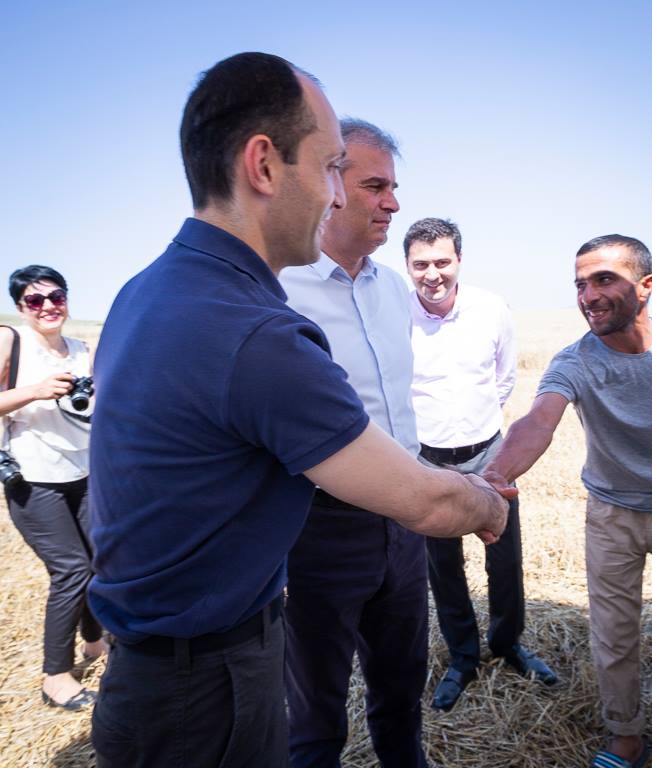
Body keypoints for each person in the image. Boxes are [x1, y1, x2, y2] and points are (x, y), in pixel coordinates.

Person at [87, 52, 510, 768]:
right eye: (331, 167)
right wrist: (487, 503)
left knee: (394, 688)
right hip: (206, 687)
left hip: (164, 669)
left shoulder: (148, 290)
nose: (336, 194)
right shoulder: (254, 329)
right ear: (262, 165)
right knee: (315, 720)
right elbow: (426, 501)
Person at [482, 235, 652, 768]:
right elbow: (538, 422)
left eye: (604, 279)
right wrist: (492, 477)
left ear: (646, 286)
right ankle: (626, 736)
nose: (588, 296)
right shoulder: (575, 361)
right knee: (614, 634)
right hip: (613, 518)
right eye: (580, 284)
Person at [279, 119, 429, 767]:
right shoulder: (277, 290)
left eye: (393, 187)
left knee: (402, 681)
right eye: (375, 186)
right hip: (320, 528)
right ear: (329, 185)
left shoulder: (393, 288)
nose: (392, 203)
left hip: (404, 519)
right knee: (315, 705)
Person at [403, 217, 557, 713]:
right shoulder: (395, 314)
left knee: (505, 557)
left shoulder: (491, 308)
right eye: (420, 264)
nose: (432, 274)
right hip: (427, 459)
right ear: (407, 265)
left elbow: (503, 378)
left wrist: (475, 426)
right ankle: (463, 657)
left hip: (488, 453)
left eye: (442, 262)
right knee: (443, 565)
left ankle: (508, 644)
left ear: (459, 261)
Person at [0, 265, 107, 710]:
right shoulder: (10, 341)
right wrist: (37, 390)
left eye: (56, 296)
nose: (47, 306)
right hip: (33, 478)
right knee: (71, 571)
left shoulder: (83, 349)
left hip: (84, 473)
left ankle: (95, 642)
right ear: (21, 306)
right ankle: (56, 677)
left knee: (99, 561)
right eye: (34, 299)